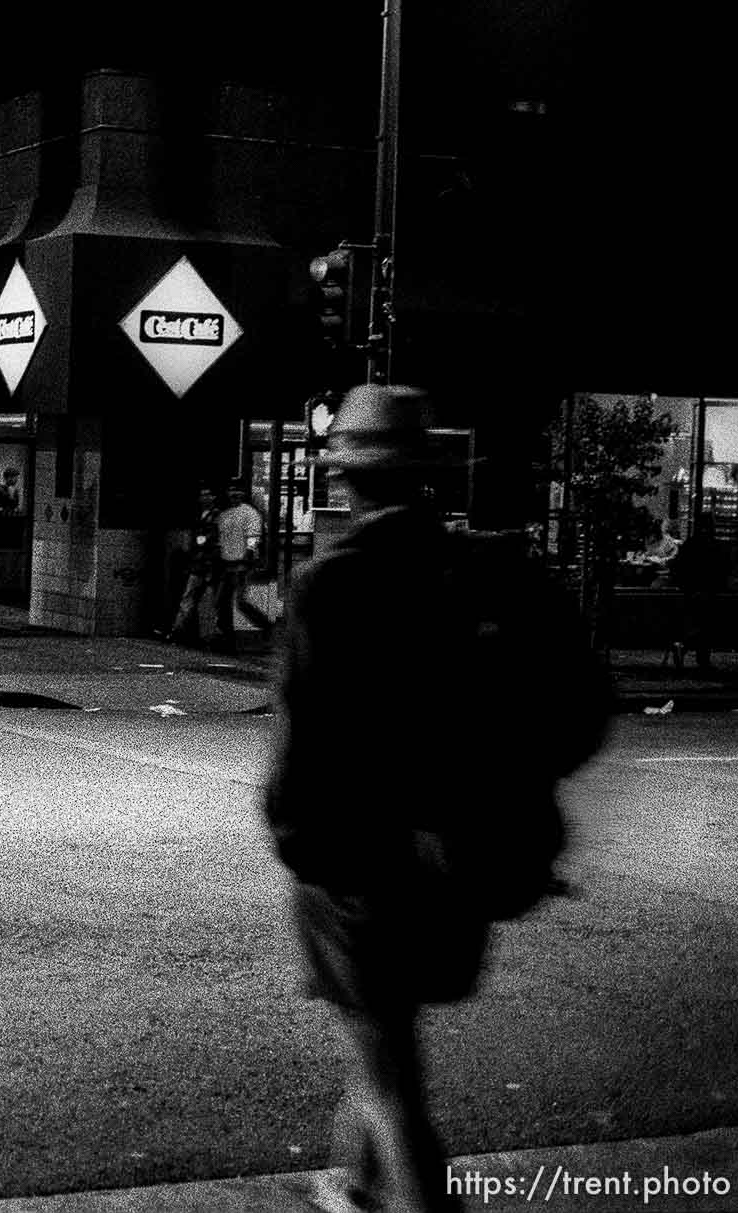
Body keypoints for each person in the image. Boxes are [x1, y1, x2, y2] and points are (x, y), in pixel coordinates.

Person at [265, 384, 606, 1213]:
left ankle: (400, 1193)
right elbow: (586, 706)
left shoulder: (330, 588)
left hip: (364, 869)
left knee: (394, 1083)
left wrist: (306, 846)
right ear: (432, 474)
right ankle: (352, 1183)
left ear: (341, 480)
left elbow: (300, 766)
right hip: (463, 863)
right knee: (384, 1038)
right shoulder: (491, 575)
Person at [212, 478, 273, 652]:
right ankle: (228, 638)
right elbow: (220, 537)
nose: (234, 494)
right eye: (231, 490)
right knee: (222, 601)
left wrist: (249, 553)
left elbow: (253, 536)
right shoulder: (224, 514)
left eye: (237, 491)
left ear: (244, 494)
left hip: (241, 564)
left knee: (240, 602)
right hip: (227, 563)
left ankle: (268, 626)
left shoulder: (250, 513)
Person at [670, 516, 728, 671]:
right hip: (708, 591)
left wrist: (685, 586)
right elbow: (721, 570)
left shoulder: (690, 544)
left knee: (697, 623)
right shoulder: (715, 546)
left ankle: (687, 647)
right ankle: (698, 655)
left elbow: (678, 568)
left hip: (691, 591)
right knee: (706, 625)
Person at [168, 487, 222, 644]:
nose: (204, 498)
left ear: (213, 498)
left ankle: (182, 632)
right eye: (203, 495)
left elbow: (207, 540)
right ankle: (182, 631)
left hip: (206, 564)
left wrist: (200, 544)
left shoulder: (215, 517)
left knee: (194, 598)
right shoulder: (206, 516)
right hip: (201, 564)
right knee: (193, 598)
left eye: (208, 495)